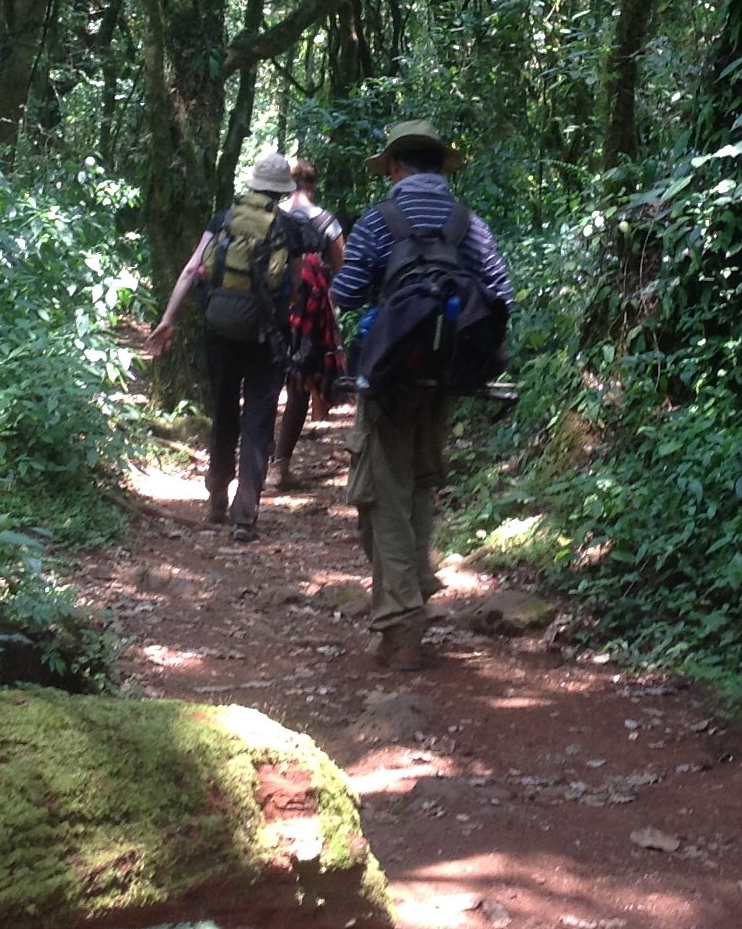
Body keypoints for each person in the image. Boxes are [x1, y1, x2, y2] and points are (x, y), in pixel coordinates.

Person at [329, 119, 514, 670]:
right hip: (447, 377)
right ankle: (408, 603)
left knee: (380, 496)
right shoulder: (469, 223)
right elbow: (500, 294)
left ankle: (403, 625)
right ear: (439, 165)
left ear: (394, 166)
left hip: (389, 379)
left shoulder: (379, 220)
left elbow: (346, 292)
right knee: (418, 489)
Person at [146, 152, 315, 542]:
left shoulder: (224, 219)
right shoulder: (289, 229)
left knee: (224, 409)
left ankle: (217, 495)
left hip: (219, 329)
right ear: (281, 191)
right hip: (266, 335)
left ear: (254, 184)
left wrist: (168, 319)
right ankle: (245, 514)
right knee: (258, 417)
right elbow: (295, 286)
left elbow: (192, 268)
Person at [272, 158, 345, 488]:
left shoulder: (274, 216)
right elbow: (341, 271)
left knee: (266, 385)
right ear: (313, 186)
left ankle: (256, 463)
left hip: (273, 308)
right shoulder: (327, 221)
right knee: (299, 385)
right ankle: (280, 466)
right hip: (310, 312)